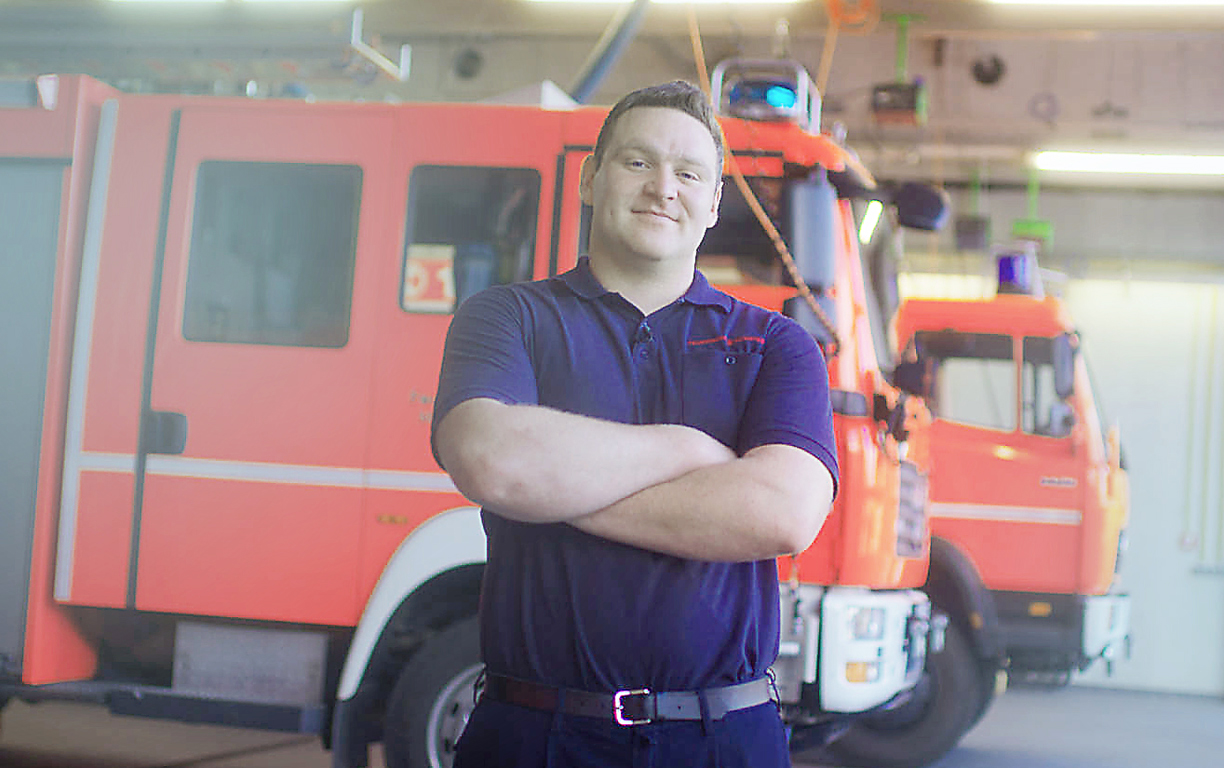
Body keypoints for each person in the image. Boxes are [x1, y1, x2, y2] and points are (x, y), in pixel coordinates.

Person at [431, 80, 838, 768]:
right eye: (637, 162)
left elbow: (783, 514)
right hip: (534, 733)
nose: (662, 188)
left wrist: (556, 493)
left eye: (688, 173)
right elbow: (494, 463)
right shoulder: (506, 318)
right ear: (591, 178)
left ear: (713, 202)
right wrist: (684, 450)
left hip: (723, 738)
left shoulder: (776, 345)